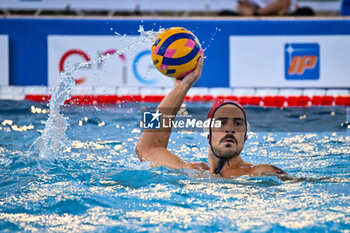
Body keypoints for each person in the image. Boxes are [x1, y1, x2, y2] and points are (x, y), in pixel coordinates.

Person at [135, 57, 288, 179]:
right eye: (221, 123)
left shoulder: (258, 173)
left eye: (238, 124)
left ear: (246, 135)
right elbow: (145, 148)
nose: (230, 129)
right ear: (208, 133)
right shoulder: (195, 172)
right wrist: (181, 87)